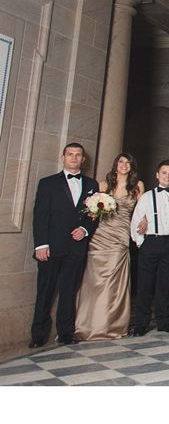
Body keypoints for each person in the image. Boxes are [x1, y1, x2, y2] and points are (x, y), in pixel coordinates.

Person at [30, 143, 99, 347]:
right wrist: (41, 245)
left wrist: (85, 230)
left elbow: (94, 215)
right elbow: (40, 216)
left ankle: (66, 333)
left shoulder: (91, 185)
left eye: (78, 155)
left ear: (83, 160)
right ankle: (38, 335)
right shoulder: (48, 183)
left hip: (76, 248)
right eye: (70, 154)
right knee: (45, 291)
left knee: (69, 291)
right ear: (63, 157)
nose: (74, 158)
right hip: (51, 247)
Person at [73, 153, 143, 341]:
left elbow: (141, 211)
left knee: (113, 281)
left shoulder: (138, 186)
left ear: (132, 166)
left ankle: (112, 324)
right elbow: (92, 212)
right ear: (115, 164)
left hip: (120, 236)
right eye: (121, 161)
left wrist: (143, 225)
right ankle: (88, 324)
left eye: (128, 163)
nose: (124, 165)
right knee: (93, 280)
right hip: (100, 236)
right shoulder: (103, 185)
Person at [128, 159, 169, 335]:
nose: (167, 176)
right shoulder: (147, 196)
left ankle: (164, 321)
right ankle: (141, 323)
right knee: (145, 285)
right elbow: (135, 221)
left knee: (165, 284)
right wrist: (142, 243)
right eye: (164, 173)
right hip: (150, 242)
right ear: (157, 175)